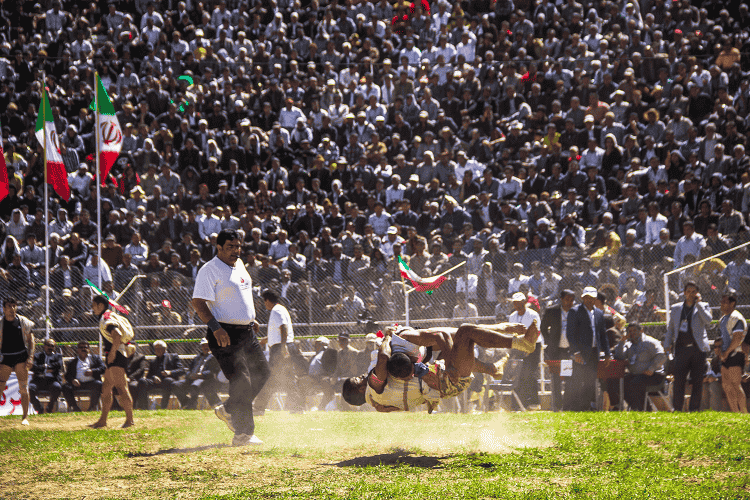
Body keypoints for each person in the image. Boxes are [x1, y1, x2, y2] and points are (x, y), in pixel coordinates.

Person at [342, 321, 539, 412]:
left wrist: (429, 399)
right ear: (359, 389)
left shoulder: (379, 403)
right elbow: (441, 336)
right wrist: (386, 337)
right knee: (465, 332)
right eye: (359, 378)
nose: (362, 375)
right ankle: (519, 343)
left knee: (465, 337)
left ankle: (493, 366)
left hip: (443, 384)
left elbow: (407, 399)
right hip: (449, 380)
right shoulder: (402, 338)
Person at [192, 229, 270, 446]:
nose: (236, 251)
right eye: (230, 247)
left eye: (238, 246)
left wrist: (249, 318)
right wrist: (216, 328)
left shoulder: (240, 264)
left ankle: (228, 409)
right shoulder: (209, 270)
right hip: (224, 334)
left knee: (263, 372)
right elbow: (198, 303)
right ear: (218, 247)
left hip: (246, 332)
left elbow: (241, 294)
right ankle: (243, 434)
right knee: (242, 381)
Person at [253, 289, 303, 414]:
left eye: (264, 301)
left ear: (268, 300)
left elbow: (283, 328)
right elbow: (280, 331)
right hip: (283, 346)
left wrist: (283, 347)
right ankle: (297, 408)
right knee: (287, 378)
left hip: (280, 348)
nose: (264, 304)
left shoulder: (276, 310)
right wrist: (266, 340)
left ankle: (259, 407)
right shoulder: (281, 309)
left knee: (270, 378)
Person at [664, 281, 712, 412]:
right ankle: (677, 408)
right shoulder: (676, 308)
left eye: (693, 291)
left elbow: (708, 321)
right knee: (679, 381)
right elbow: (671, 328)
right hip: (681, 349)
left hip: (697, 348)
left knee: (697, 381)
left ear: (697, 293)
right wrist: (666, 343)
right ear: (684, 293)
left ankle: (694, 409)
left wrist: (699, 304)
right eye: (688, 291)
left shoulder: (703, 306)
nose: (691, 294)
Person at [89, 296, 136, 428]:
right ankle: (103, 420)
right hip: (115, 355)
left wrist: (113, 353)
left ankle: (130, 420)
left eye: (94, 305)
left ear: (100, 306)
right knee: (106, 389)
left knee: (121, 388)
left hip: (116, 355)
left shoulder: (106, 319)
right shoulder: (110, 315)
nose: (92, 308)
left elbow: (117, 335)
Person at [565, 286, 611, 411]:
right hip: (580, 353)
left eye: (591, 298)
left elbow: (602, 334)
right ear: (582, 298)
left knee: (590, 380)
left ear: (595, 299)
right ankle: (575, 406)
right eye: (586, 298)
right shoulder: (574, 312)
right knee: (577, 379)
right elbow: (570, 334)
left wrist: (607, 353)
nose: (589, 300)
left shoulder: (599, 313)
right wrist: (576, 352)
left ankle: (586, 406)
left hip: (593, 353)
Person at [613, 322, 667, 411]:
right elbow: (619, 356)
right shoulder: (629, 344)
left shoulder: (650, 342)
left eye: (635, 330)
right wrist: (622, 341)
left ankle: (641, 409)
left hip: (653, 375)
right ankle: (638, 408)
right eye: (630, 331)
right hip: (636, 375)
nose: (632, 333)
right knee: (620, 382)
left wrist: (651, 368)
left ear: (641, 330)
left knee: (635, 383)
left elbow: (661, 356)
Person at [0, 297, 36, 425]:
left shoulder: (23, 322)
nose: (12, 309)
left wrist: (30, 357)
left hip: (21, 356)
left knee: (23, 388)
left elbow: (31, 340)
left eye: (14, 306)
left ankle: (25, 417)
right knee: (0, 385)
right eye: (9, 306)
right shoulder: (1, 323)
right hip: (6, 357)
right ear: (4, 309)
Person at [539, 289, 575, 411]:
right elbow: (543, 328)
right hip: (556, 351)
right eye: (566, 300)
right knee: (555, 379)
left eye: (571, 300)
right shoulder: (552, 311)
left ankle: (567, 406)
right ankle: (557, 406)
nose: (569, 303)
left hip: (568, 351)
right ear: (561, 299)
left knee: (568, 378)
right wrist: (549, 341)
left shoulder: (575, 312)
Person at [509, 292, 542, 409]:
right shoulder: (512, 316)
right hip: (519, 346)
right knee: (518, 374)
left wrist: (529, 348)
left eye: (519, 303)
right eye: (515, 303)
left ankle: (534, 402)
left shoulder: (533, 314)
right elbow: (512, 333)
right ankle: (519, 404)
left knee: (530, 373)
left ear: (524, 302)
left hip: (533, 345)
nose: (517, 305)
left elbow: (536, 332)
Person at [716, 292, 747, 413]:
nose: (721, 304)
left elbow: (737, 338)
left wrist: (727, 352)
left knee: (735, 385)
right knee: (727, 386)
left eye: (724, 302)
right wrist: (722, 353)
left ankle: (744, 413)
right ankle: (735, 412)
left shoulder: (737, 318)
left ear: (732, 303)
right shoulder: (723, 319)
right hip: (725, 355)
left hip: (736, 354)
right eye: (721, 302)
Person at [175, 338, 223, 410]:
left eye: (207, 345)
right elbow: (189, 369)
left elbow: (213, 371)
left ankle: (192, 405)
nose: (205, 347)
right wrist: (189, 375)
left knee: (195, 384)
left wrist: (200, 375)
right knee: (176, 385)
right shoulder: (197, 357)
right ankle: (186, 402)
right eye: (203, 345)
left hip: (205, 379)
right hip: (192, 378)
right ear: (201, 347)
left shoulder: (214, 357)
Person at [137, 340, 185, 410]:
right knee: (142, 381)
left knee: (167, 380)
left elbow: (182, 370)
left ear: (164, 349)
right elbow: (149, 375)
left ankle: (163, 407)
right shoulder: (153, 361)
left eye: (159, 349)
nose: (157, 351)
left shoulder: (173, 357)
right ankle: (143, 407)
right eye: (155, 349)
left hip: (168, 381)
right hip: (156, 382)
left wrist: (170, 372)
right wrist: (154, 377)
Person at [62, 340, 106, 412]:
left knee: (98, 384)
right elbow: (67, 375)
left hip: (91, 382)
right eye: (81, 347)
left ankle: (92, 407)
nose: (83, 349)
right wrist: (73, 380)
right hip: (78, 384)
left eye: (85, 347)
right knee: (65, 387)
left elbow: (103, 368)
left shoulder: (95, 358)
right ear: (77, 350)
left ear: (88, 349)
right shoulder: (73, 362)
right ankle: (75, 407)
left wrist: (92, 371)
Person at [29, 338, 64, 414]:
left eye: (52, 346)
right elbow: (33, 367)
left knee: (57, 387)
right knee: (29, 389)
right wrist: (44, 367)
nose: (50, 347)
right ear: (44, 346)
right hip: (38, 380)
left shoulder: (58, 356)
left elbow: (58, 365)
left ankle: (50, 407)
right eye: (48, 345)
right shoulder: (37, 356)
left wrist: (45, 367)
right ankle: (39, 408)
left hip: (52, 380)